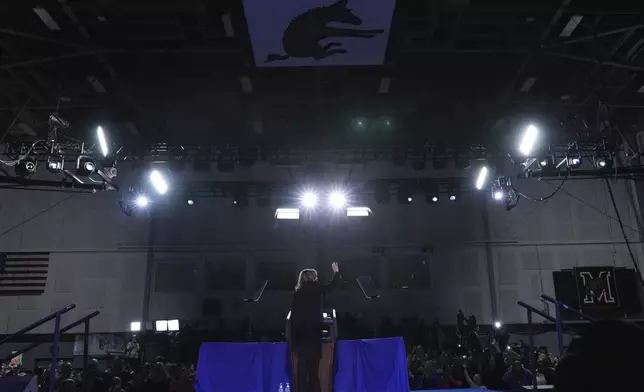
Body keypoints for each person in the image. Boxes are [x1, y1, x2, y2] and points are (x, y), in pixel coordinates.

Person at [289, 262, 340, 392]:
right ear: (312, 277)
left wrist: (293, 340)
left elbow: (293, 318)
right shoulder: (316, 288)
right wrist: (336, 273)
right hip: (314, 335)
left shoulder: (298, 293)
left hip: (301, 336)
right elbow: (331, 287)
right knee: (313, 371)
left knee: (301, 372)